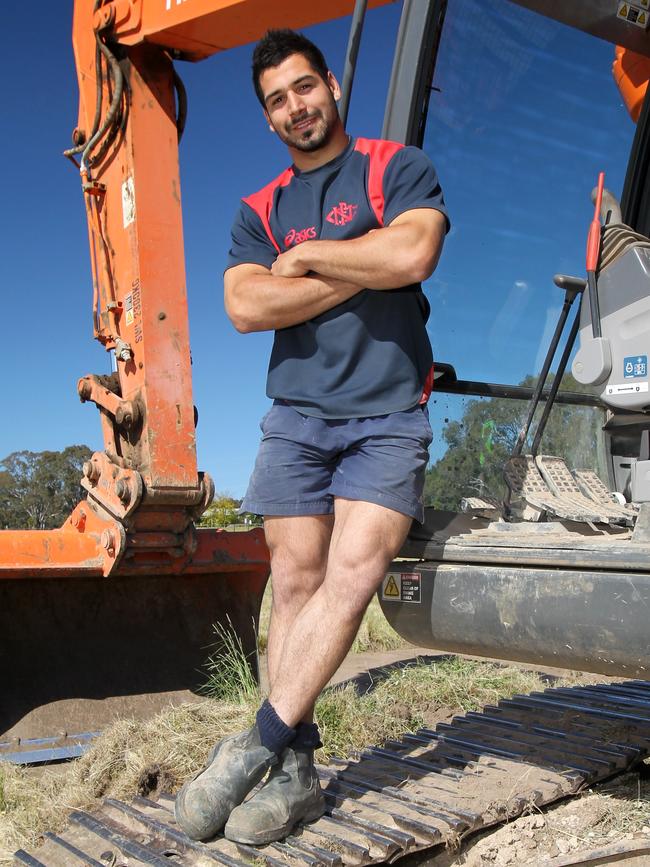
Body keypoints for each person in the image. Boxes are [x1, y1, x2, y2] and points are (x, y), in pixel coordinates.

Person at [175, 27, 448, 846]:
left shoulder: (393, 167)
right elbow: (244, 306)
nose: (296, 106)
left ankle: (248, 747)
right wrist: (361, 262)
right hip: (296, 416)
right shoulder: (258, 210)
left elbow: (414, 251)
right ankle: (294, 773)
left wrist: (309, 262)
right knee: (292, 582)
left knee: (353, 574)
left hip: (389, 413)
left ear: (331, 84)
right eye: (277, 100)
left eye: (304, 87)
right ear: (268, 118)